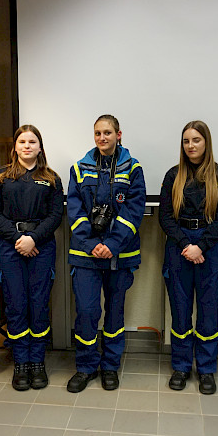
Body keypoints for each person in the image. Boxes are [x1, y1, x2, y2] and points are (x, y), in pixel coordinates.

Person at [66, 114, 146, 392]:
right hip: (86, 255)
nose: (102, 138)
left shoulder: (133, 168)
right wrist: (92, 245)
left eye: (108, 133)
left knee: (114, 313)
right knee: (87, 312)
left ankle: (110, 366)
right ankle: (86, 367)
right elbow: (74, 212)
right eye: (98, 133)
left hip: (120, 254)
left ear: (119, 134)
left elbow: (134, 212)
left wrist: (111, 244)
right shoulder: (79, 168)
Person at [0, 125, 64, 391]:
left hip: (41, 247)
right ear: (15, 147)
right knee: (17, 305)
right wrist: (19, 239)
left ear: (40, 147)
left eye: (32, 141)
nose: (27, 146)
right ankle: (21, 363)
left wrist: (34, 239)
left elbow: (55, 216)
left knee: (38, 305)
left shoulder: (51, 178)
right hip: (10, 247)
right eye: (22, 141)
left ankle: (37, 363)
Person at [159, 120, 218, 395]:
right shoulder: (172, 176)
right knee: (179, 311)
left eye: (196, 140)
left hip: (210, 250)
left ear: (206, 143)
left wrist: (201, 246)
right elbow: (165, 217)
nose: (191, 146)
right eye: (186, 141)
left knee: (208, 313)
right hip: (179, 248)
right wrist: (185, 245)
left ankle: (206, 369)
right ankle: (180, 366)